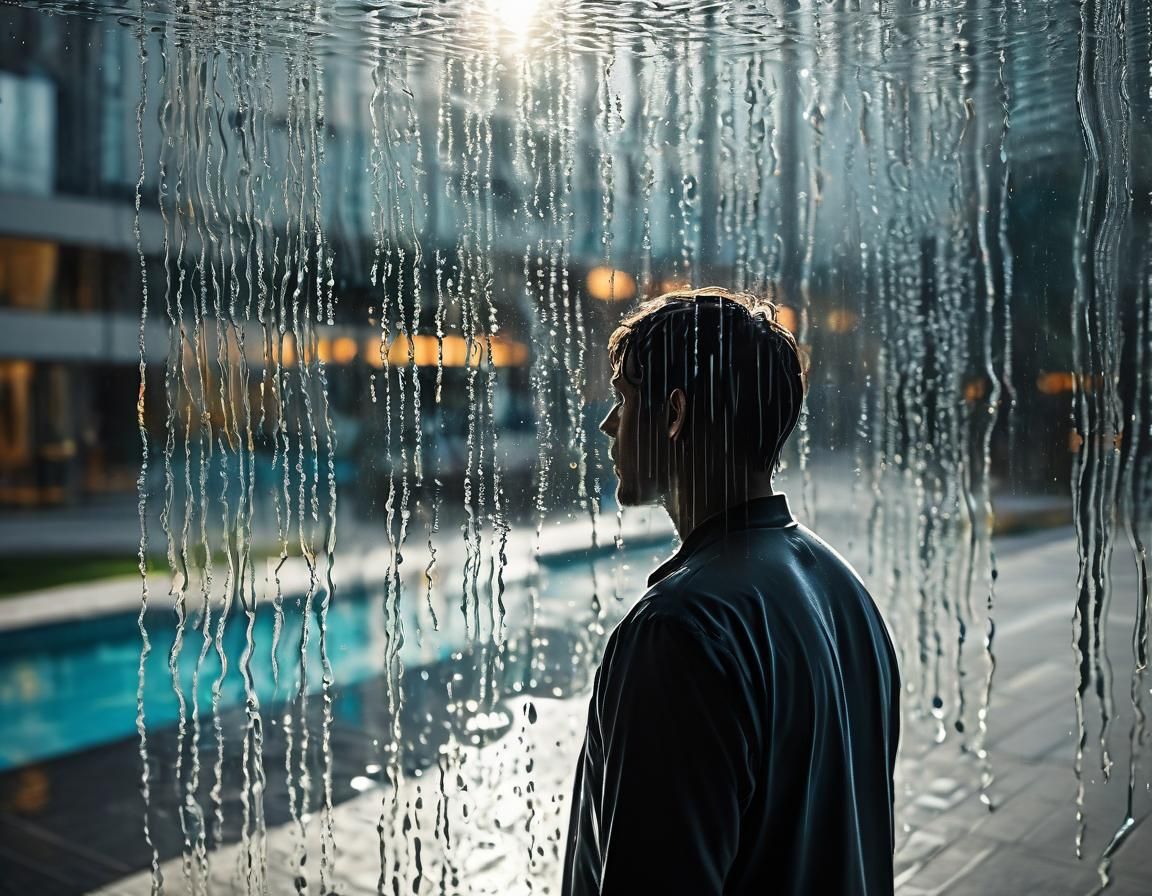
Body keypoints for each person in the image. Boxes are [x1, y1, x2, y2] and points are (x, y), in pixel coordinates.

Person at [561, 287, 901, 895]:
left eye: (623, 398)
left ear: (674, 414)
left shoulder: (680, 632)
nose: (609, 423)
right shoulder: (846, 594)